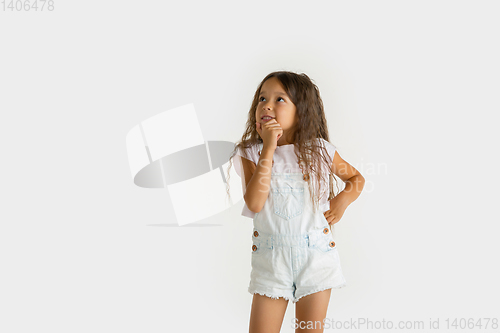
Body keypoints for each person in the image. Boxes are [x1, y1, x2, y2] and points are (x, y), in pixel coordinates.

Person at [226, 71, 365, 333]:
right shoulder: (250, 153)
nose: (266, 104)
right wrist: (268, 147)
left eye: (279, 99)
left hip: (316, 258)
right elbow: (255, 202)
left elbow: (357, 179)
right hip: (271, 262)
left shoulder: (320, 150)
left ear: (300, 111)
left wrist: (343, 200)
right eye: (262, 98)